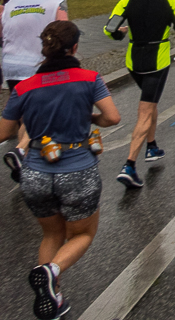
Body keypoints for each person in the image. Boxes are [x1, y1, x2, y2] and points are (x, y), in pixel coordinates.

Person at [0, 21, 120, 320]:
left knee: (51, 234)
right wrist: (91, 118)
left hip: (35, 173)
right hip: (77, 169)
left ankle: (52, 298)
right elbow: (113, 117)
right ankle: (52, 273)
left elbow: (3, 132)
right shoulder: (89, 78)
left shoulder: (25, 86)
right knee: (82, 234)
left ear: (45, 48)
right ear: (75, 47)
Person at [104, 0, 175, 189]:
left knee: (150, 104)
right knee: (145, 110)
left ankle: (152, 146)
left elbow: (109, 29)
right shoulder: (171, 1)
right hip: (157, 61)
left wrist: (120, 34)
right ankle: (129, 165)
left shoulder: (127, 0)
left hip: (133, 61)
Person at [1, 0, 69, 183]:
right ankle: (21, 151)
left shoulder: (11, 2)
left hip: (11, 65)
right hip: (38, 65)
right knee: (39, 115)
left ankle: (25, 164)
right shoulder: (57, 0)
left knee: (24, 117)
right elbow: (64, 31)